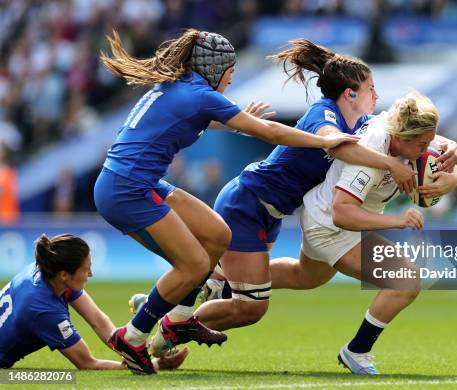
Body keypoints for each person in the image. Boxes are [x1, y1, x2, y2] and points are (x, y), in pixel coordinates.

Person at [139, 40, 457, 355]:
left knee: (293, 279)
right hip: (248, 202)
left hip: (271, 209)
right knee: (250, 307)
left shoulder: (360, 123)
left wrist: (452, 149)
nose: (376, 95)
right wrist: (390, 164)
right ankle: (170, 322)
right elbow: (337, 145)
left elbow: (414, 134)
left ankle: (172, 304)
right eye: (371, 88)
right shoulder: (326, 114)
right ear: (350, 94)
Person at [94, 30, 358, 374]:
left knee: (218, 235)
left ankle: (181, 316)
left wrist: (233, 122)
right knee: (192, 265)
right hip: (127, 189)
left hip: (133, 181)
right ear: (215, 67)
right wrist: (325, 140)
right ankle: (132, 336)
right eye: (230, 71)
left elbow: (185, 121)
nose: (231, 79)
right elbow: (272, 133)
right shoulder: (201, 95)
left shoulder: (182, 88)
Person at [271, 91, 457, 374]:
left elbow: (445, 151)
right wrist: (397, 221)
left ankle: (230, 281)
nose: (427, 148)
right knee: (405, 280)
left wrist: (451, 179)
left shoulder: (405, 129)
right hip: (332, 226)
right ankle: (357, 351)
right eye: (422, 144)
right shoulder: (371, 156)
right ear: (401, 139)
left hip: (320, 213)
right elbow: (343, 212)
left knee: (304, 276)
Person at [0, 234, 188, 371]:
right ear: (65, 275)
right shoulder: (42, 309)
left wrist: (129, 349)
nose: (91, 274)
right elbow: (87, 363)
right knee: (54, 378)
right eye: (86, 270)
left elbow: (97, 319)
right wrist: (154, 364)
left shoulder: (48, 269)